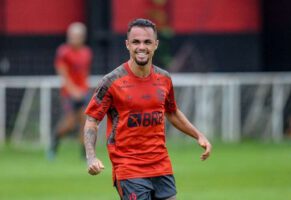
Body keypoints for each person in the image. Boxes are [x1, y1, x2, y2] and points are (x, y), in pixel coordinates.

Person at [84, 18, 211, 200]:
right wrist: (91, 157)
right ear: (127, 44)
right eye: (136, 42)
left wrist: (199, 135)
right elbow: (92, 120)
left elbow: (172, 112)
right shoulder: (111, 81)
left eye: (147, 42)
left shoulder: (164, 79)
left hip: (161, 165)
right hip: (129, 168)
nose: (141, 47)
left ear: (156, 45)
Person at [48, 22, 93, 159]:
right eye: (71, 35)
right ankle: (53, 144)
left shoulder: (86, 52)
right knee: (69, 124)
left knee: (85, 123)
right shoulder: (64, 52)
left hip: (83, 92)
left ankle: (84, 154)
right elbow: (63, 74)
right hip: (69, 93)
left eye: (76, 36)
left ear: (82, 37)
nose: (73, 38)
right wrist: (73, 90)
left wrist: (83, 90)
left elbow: (85, 74)